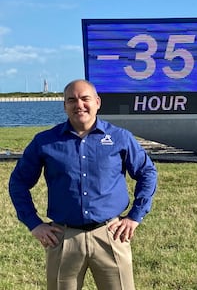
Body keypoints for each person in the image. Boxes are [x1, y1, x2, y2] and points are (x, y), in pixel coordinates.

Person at [9, 79, 158, 290]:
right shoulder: (45, 142)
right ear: (64, 106)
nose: (79, 105)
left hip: (111, 235)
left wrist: (135, 216)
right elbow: (18, 183)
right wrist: (34, 223)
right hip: (63, 238)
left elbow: (147, 172)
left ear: (97, 102)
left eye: (85, 98)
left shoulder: (119, 138)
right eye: (72, 100)